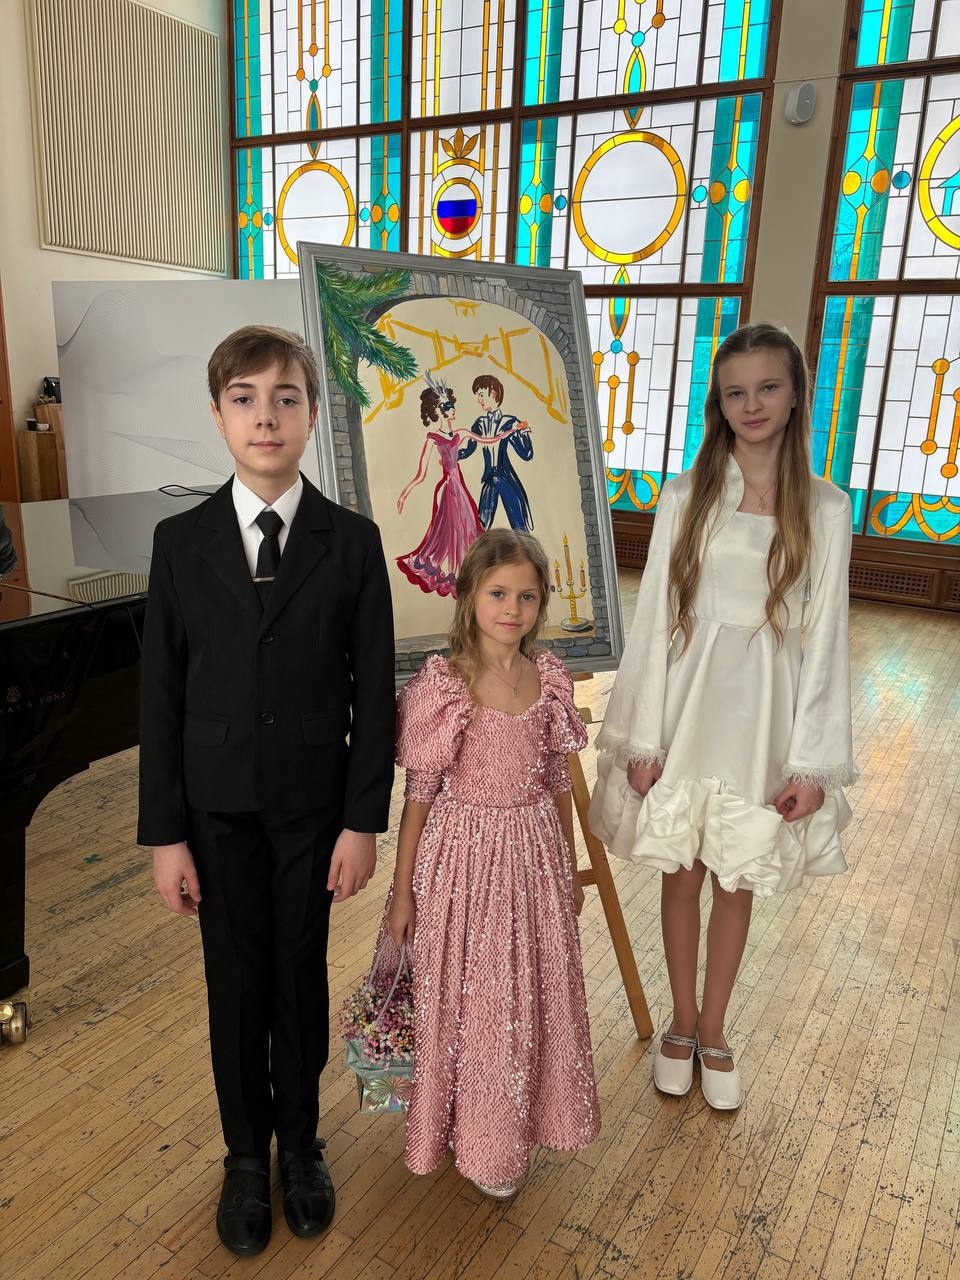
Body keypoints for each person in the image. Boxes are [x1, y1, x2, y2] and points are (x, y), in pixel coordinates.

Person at [137, 324, 395, 1257]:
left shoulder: (351, 542)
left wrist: (363, 821)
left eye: (286, 398)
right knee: (235, 982)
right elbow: (160, 696)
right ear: (218, 416)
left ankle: (302, 1145)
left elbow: (375, 692)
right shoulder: (179, 543)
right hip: (214, 810)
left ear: (312, 414)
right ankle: (245, 1154)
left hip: (313, 808)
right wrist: (165, 835)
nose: (266, 417)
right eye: (244, 399)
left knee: (297, 973)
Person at [589, 322, 857, 1111]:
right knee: (683, 872)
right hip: (688, 704)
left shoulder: (826, 508)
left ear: (796, 393)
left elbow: (827, 640)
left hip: (764, 717)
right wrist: (644, 737)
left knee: (735, 875)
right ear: (719, 402)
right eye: (736, 392)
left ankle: (715, 1027)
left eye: (767, 387)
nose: (752, 404)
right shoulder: (687, 496)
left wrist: (810, 762)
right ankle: (678, 1022)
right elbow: (654, 620)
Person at [386, 529, 601, 1198]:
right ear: (469, 596)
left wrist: (569, 867)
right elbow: (419, 795)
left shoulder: (549, 678)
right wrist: (402, 892)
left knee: (524, 999)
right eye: (498, 593)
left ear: (542, 604)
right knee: (474, 1004)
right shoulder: (445, 685)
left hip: (533, 860)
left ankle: (510, 1130)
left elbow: (558, 782)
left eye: (527, 597)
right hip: (463, 865)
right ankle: (473, 1135)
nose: (512, 609)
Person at [396, 373, 526, 597]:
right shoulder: (432, 439)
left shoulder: (461, 433)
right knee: (448, 534)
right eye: (448, 406)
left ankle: (471, 576)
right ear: (438, 411)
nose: (453, 409)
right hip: (448, 488)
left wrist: (512, 430)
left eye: (452, 404)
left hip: (461, 490)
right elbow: (421, 474)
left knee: (469, 531)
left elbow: (490, 440)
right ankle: (458, 576)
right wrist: (405, 493)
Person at [458, 374, 534, 532]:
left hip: (505, 477)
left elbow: (526, 454)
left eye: (481, 395)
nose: (479, 400)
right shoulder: (479, 424)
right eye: (477, 396)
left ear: (493, 393)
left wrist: (524, 433)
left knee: (519, 525)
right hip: (489, 478)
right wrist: (452, 454)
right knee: (481, 527)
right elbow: (469, 450)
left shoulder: (509, 422)